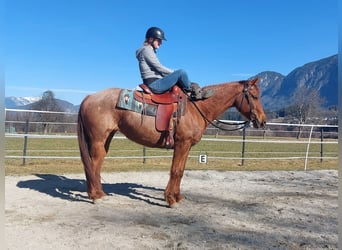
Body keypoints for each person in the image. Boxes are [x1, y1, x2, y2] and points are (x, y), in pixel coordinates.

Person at [136, 27, 214, 100]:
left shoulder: (148, 51)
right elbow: (159, 67)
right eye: (159, 40)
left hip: (155, 81)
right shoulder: (146, 50)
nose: (161, 43)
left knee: (181, 79)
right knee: (181, 72)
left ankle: (191, 88)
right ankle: (195, 93)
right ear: (151, 39)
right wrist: (175, 73)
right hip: (154, 83)